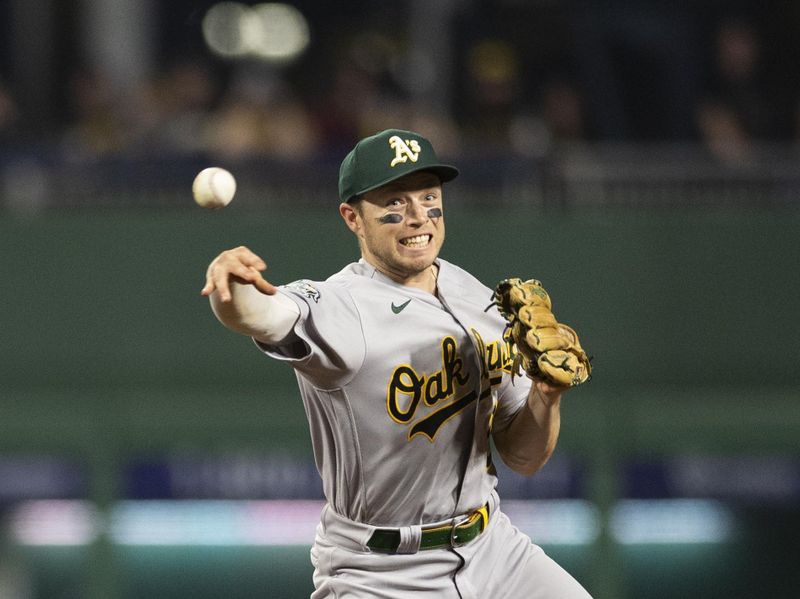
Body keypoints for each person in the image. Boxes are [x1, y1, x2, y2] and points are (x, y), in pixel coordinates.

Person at [201, 128, 592, 598]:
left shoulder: (481, 299)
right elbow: (261, 314)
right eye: (395, 201)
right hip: (381, 573)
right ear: (353, 218)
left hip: (493, 550)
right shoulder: (341, 307)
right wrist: (233, 287)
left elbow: (523, 457)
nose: (417, 216)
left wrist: (546, 398)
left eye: (428, 197)